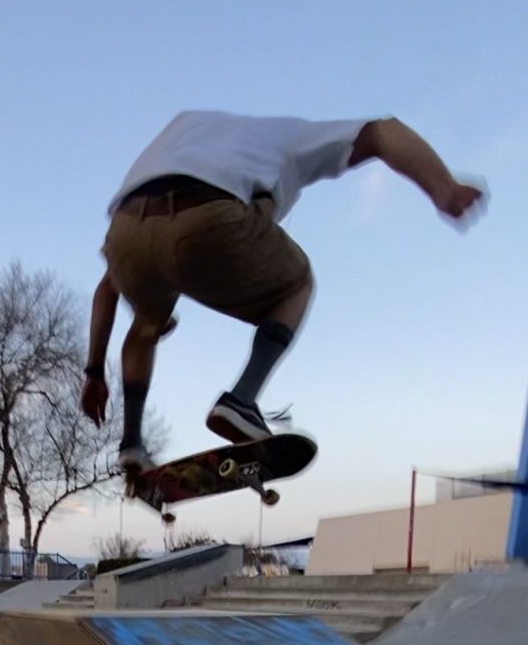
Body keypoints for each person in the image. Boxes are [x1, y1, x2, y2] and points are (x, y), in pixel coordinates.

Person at [80, 111, 486, 470]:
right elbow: (383, 130)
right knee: (297, 283)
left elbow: (106, 292)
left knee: (145, 326)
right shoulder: (288, 138)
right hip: (208, 215)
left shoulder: (183, 130)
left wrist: (94, 372)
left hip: (125, 230)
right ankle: (241, 399)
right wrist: (443, 188)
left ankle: (131, 444)